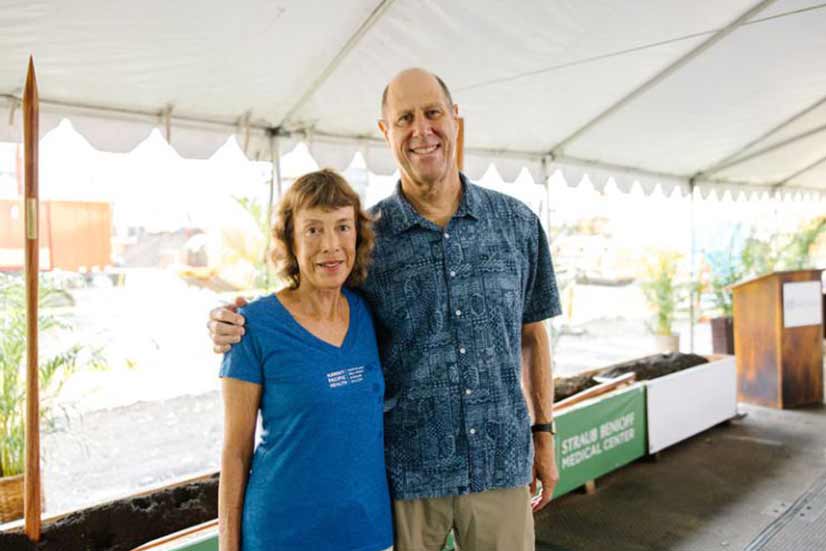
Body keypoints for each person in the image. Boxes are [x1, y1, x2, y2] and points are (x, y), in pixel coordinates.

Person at [210, 68, 561, 551]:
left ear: (455, 119)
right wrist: (231, 322)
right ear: (385, 131)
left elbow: (533, 335)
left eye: (433, 113)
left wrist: (544, 434)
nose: (422, 130)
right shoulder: (368, 237)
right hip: (407, 480)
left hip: (499, 465)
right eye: (405, 119)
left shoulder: (517, 223)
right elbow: (310, 295)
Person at [218, 169, 393, 551]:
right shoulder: (252, 327)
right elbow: (235, 453)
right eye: (313, 230)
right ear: (290, 240)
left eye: (342, 227)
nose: (330, 245)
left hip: (368, 533)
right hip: (282, 536)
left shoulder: (368, 313)